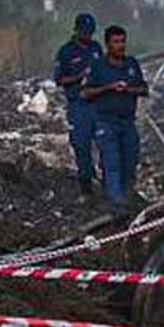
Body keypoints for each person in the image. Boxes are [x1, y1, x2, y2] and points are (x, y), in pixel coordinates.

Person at [81, 25, 148, 212]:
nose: (120, 46)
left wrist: (128, 89)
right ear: (108, 44)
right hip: (106, 121)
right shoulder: (98, 66)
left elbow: (144, 89)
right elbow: (85, 93)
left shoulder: (132, 64)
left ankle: (127, 198)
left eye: (122, 41)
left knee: (130, 161)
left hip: (127, 122)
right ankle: (116, 204)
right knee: (111, 162)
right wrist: (108, 88)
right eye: (116, 42)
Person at [54, 13, 104, 197]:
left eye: (90, 32)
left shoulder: (96, 48)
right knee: (81, 146)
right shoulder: (66, 52)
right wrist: (79, 77)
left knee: (105, 144)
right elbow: (59, 79)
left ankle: (109, 185)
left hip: (98, 105)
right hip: (78, 106)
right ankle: (86, 189)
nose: (87, 36)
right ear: (77, 30)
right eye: (84, 32)